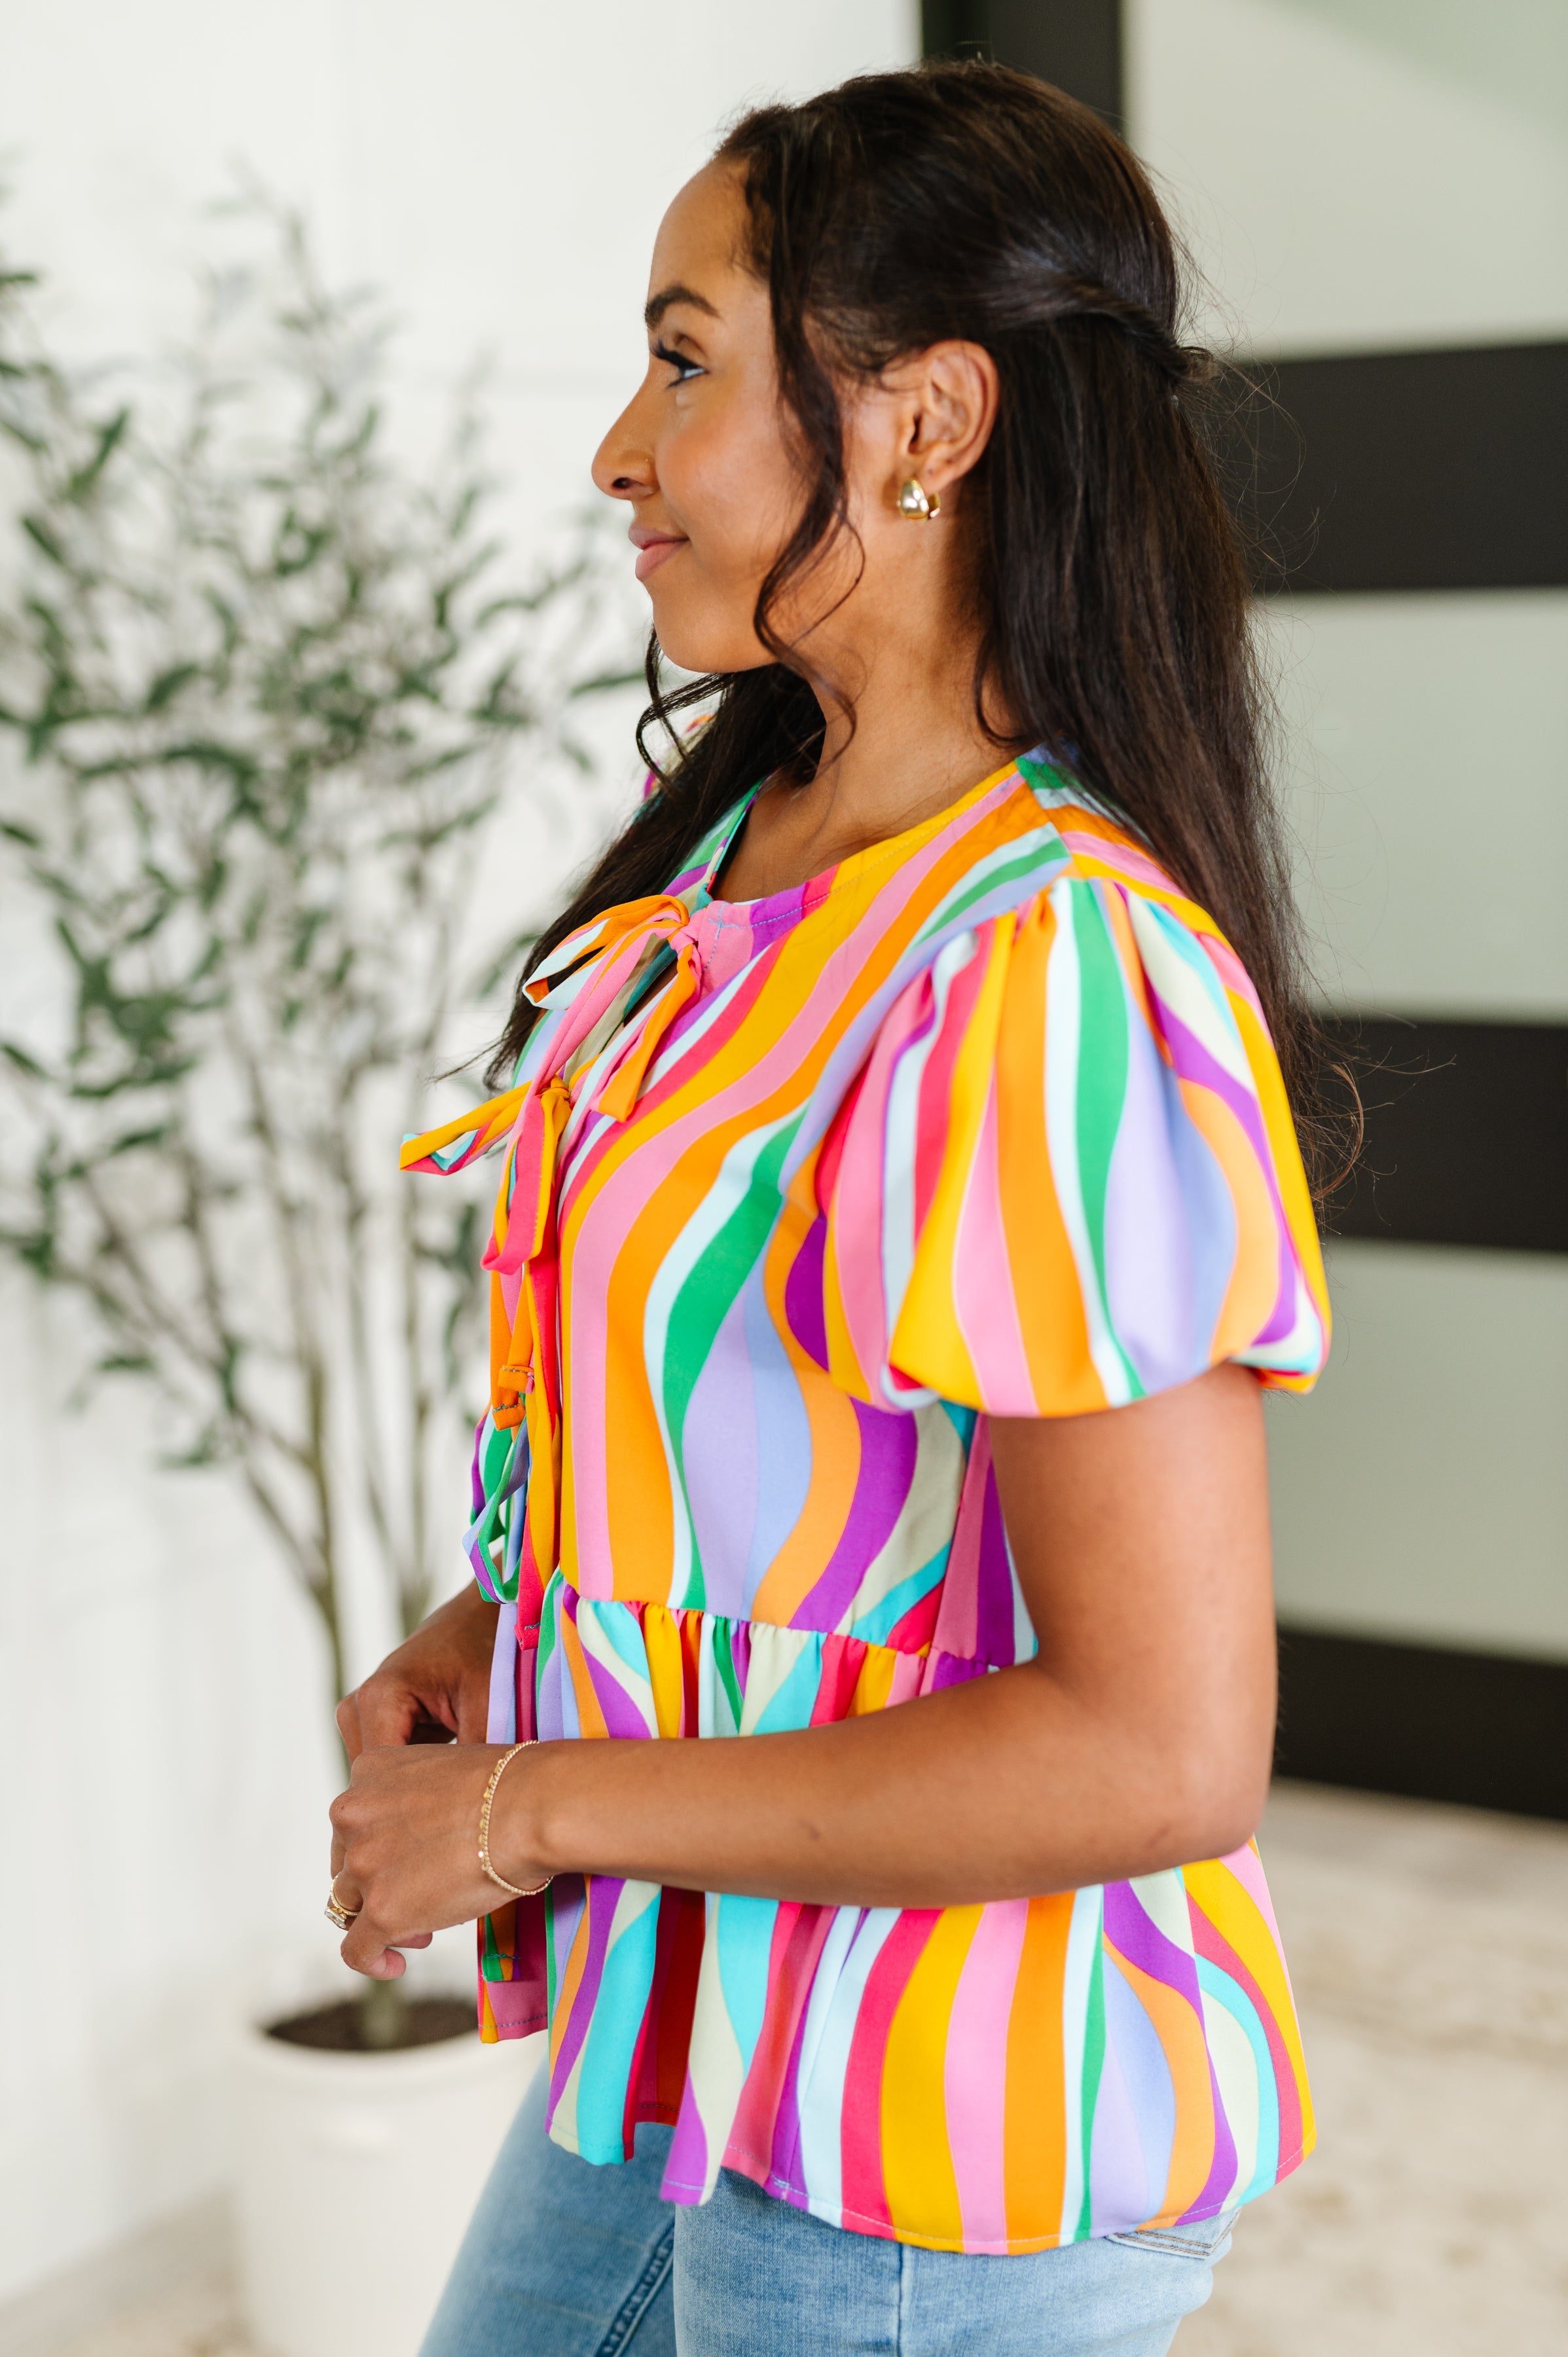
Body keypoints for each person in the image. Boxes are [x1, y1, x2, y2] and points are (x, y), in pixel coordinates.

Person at [327, 60, 1330, 2357]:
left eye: (684, 358)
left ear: (924, 423)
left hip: (930, 2135)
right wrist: (520, 1628)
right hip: (685, 2039)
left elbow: (1156, 1746)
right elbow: (782, 1446)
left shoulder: (1040, 965)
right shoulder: (738, 853)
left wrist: (526, 1810)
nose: (621, 449)